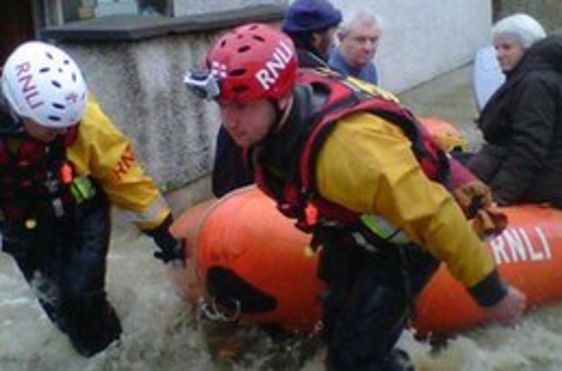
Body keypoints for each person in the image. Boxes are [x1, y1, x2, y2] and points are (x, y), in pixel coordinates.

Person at [185, 24, 525, 370]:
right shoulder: (267, 125)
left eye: (242, 107)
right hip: (353, 231)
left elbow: (435, 216)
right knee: (336, 332)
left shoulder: (348, 153)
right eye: (223, 105)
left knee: (358, 358)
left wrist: (492, 293)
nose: (230, 120)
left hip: (403, 246)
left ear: (280, 96)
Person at [0, 41, 184, 356]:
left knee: (83, 297)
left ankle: (115, 354)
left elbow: (123, 175)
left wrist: (164, 233)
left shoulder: (85, 121)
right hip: (24, 224)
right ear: (17, 110)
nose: (61, 133)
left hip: (83, 213)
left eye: (65, 126)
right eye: (50, 127)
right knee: (59, 309)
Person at [210, 0, 343, 198]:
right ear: (316, 37)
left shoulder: (267, 71)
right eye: (332, 34)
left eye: (241, 105)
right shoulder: (321, 83)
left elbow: (222, 185)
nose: (230, 120)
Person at [467, 13, 562, 216]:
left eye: (507, 47)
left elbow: (529, 148)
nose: (498, 54)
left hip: (546, 185)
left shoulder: (535, 84)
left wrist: (499, 197)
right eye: (496, 48)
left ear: (528, 48)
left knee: (455, 180)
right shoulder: (557, 73)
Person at [281, 0, 343, 69]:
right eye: (333, 32)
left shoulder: (279, 57)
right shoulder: (316, 72)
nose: (334, 42)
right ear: (316, 36)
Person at [328, 10, 381, 85]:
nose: (368, 48)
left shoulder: (370, 69)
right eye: (360, 40)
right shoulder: (327, 72)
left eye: (373, 40)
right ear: (341, 38)